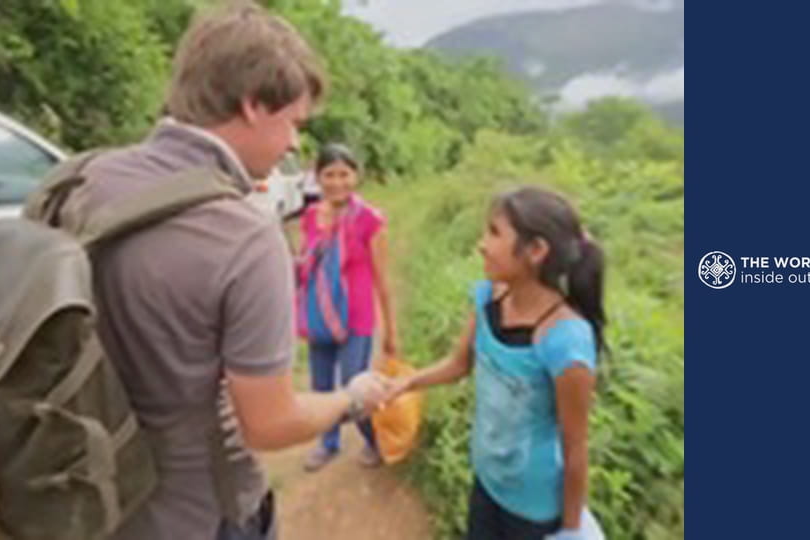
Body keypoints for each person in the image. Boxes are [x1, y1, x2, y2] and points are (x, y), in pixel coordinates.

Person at [65, 5, 393, 539]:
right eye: (293, 123)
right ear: (253, 105)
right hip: (197, 513)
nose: (294, 144)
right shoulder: (245, 237)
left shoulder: (85, 179)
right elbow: (269, 424)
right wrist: (351, 398)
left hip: (85, 495)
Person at [388, 185, 606, 540]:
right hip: (488, 482)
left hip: (534, 510)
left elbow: (575, 448)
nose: (481, 245)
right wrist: (407, 383)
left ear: (535, 251)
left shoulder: (565, 341)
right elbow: (459, 364)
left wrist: (569, 530)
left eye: (494, 233)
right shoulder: (490, 299)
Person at [296, 143, 400, 471]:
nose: (337, 182)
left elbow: (382, 280)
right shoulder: (311, 216)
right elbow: (305, 266)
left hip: (356, 319)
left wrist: (391, 332)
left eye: (344, 174)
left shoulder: (370, 220)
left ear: (357, 176)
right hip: (320, 315)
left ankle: (373, 440)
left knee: (356, 386)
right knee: (321, 386)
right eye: (329, 174)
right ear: (317, 177)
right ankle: (328, 444)